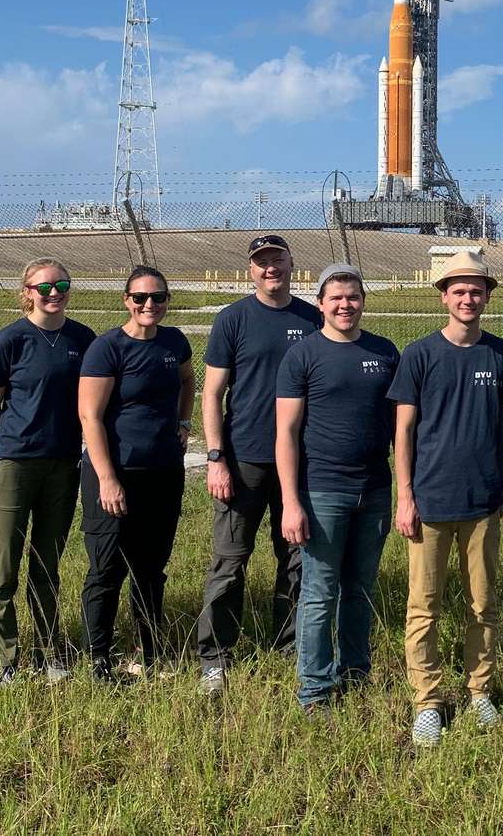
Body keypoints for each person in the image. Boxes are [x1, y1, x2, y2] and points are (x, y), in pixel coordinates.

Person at [386, 249, 503, 747]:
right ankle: (428, 701)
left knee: (483, 603)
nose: (468, 298)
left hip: (482, 502)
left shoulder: (502, 354)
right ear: (443, 296)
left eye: (476, 291)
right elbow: (404, 430)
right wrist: (405, 495)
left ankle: (479, 691)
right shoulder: (420, 354)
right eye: (458, 290)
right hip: (430, 502)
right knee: (424, 606)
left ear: (487, 297)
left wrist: (501, 484)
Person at [198, 234, 322, 696]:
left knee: (296, 556)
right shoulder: (233, 319)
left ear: (291, 264)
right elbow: (212, 394)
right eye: (262, 261)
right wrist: (216, 458)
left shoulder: (312, 318)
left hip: (301, 461)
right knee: (230, 561)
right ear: (251, 269)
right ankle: (215, 656)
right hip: (244, 459)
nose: (271, 268)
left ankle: (289, 646)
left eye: (277, 259)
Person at [276, 264, 400, 713]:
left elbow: (401, 427)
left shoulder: (384, 352)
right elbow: (286, 433)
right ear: (320, 304)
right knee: (320, 592)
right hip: (323, 492)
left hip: (375, 490)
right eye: (336, 298)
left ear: (363, 301)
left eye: (353, 297)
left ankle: (355, 674)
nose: (345, 305)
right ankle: (314, 689)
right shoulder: (303, 356)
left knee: (360, 588)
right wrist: (291, 501)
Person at [0, 258, 95, 685]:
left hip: (62, 464)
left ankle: (49, 652)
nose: (54, 293)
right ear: (27, 291)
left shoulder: (82, 339)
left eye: (61, 285)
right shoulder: (10, 339)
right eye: (44, 287)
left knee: (47, 565)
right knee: (3, 566)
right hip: (14, 463)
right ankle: (4, 658)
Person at [78, 266, 195, 682]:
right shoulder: (107, 347)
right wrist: (107, 478)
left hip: (162, 472)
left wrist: (184, 423)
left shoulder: (174, 342)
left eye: (158, 297)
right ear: (126, 300)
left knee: (150, 568)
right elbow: (90, 416)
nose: (150, 305)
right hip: (115, 472)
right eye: (140, 297)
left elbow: (187, 380)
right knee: (107, 569)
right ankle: (98, 657)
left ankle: (147, 651)